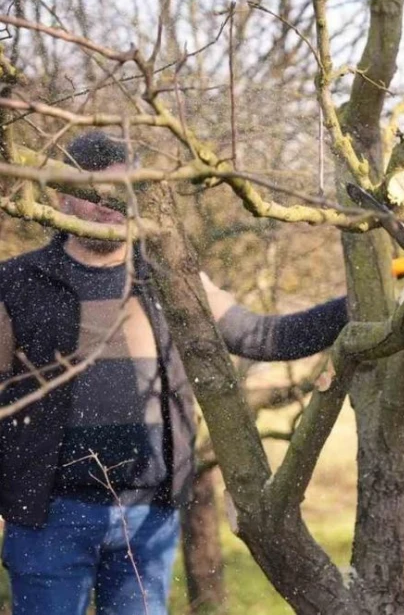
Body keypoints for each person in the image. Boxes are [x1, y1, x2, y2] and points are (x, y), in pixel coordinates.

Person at [0, 131, 349, 615]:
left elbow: (266, 337)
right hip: (49, 515)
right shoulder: (17, 283)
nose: (110, 205)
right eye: (94, 193)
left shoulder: (171, 277)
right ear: (61, 196)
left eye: (122, 193)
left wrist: (365, 305)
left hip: (148, 517)